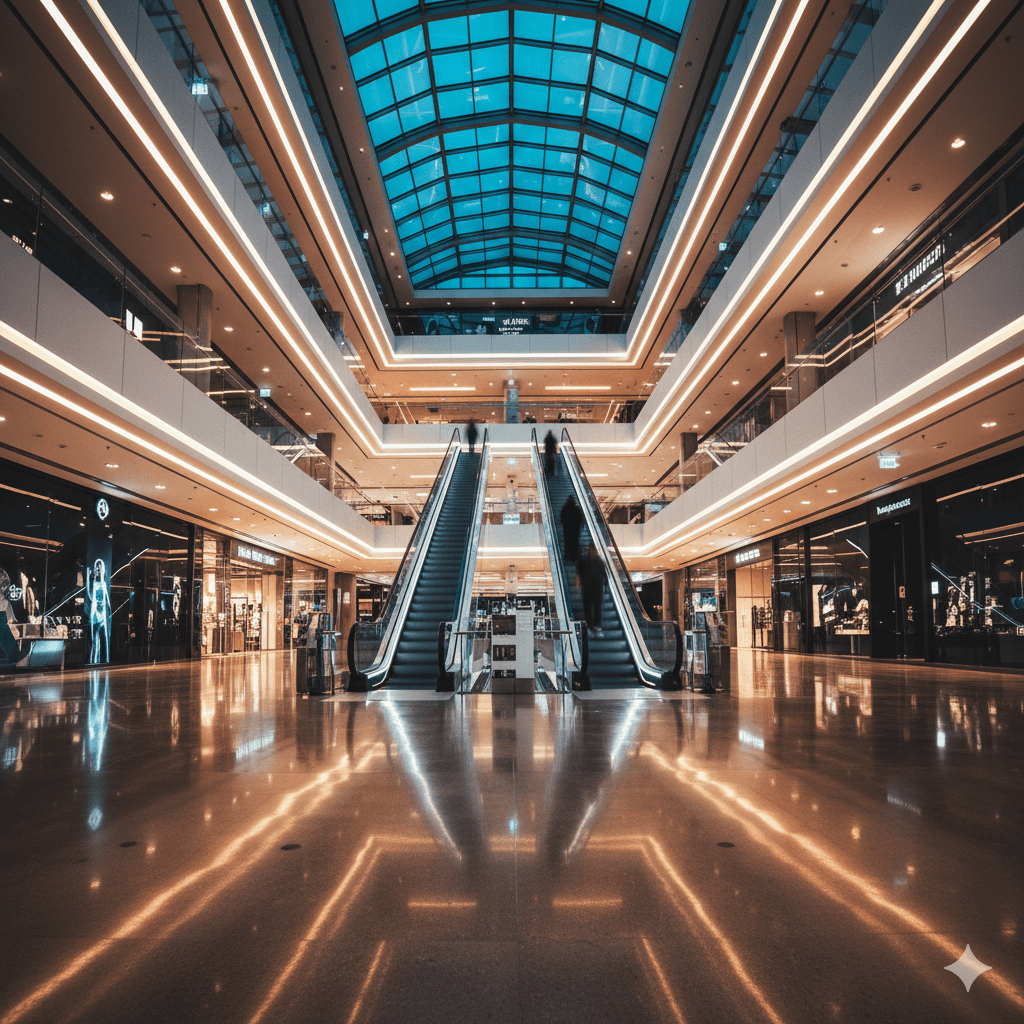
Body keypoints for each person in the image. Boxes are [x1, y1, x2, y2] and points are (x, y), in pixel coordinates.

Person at [578, 544, 605, 635]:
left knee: (596, 609)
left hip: (596, 589)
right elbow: (578, 574)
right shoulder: (584, 561)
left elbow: (604, 576)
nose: (593, 552)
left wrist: (605, 585)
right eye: (592, 550)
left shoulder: (600, 562)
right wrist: (578, 586)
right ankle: (590, 626)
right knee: (588, 609)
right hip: (587, 589)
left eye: (594, 550)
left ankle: (596, 626)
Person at [560, 495, 583, 567]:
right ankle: (574, 556)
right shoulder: (577, 508)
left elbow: (562, 517)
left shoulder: (565, 508)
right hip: (576, 528)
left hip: (567, 528)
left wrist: (564, 524)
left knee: (567, 542)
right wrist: (581, 525)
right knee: (575, 541)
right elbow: (580, 518)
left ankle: (567, 556)